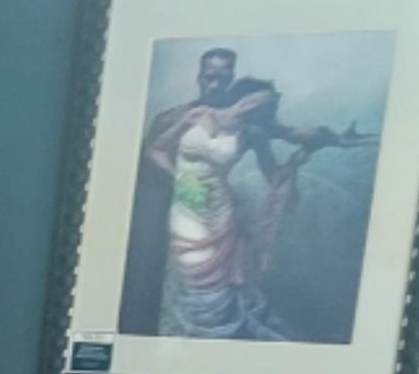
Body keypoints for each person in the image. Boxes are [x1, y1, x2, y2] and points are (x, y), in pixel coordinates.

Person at [131, 46, 368, 341]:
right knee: (193, 276)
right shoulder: (189, 115)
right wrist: (182, 179)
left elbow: (292, 136)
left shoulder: (252, 128)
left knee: (223, 286)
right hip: (187, 204)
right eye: (209, 76)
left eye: (223, 77)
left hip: (221, 211)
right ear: (200, 76)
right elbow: (153, 150)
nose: (215, 84)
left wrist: (323, 145)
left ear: (233, 81)